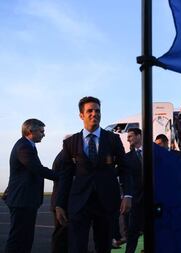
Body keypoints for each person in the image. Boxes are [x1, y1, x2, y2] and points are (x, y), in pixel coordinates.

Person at [55, 96, 132, 253]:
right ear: (81, 115)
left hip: (106, 203)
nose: (94, 114)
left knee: (104, 247)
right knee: (77, 247)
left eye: (97, 110)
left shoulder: (113, 139)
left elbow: (125, 168)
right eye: (89, 111)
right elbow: (66, 176)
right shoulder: (70, 143)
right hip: (79, 203)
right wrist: (59, 204)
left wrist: (128, 195)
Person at [4, 118, 58, 253]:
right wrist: (63, 177)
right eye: (41, 131)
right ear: (30, 131)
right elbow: (37, 169)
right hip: (22, 200)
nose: (44, 134)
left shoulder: (28, 146)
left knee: (25, 238)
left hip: (25, 200)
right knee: (18, 238)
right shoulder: (24, 147)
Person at [124, 128, 144, 253]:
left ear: (139, 136)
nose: (128, 139)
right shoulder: (127, 158)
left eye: (130, 136)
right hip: (136, 201)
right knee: (132, 233)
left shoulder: (153, 153)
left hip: (154, 201)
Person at [50, 135, 72, 253]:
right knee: (61, 234)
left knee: (64, 234)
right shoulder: (64, 157)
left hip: (61, 201)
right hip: (61, 202)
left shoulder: (62, 155)